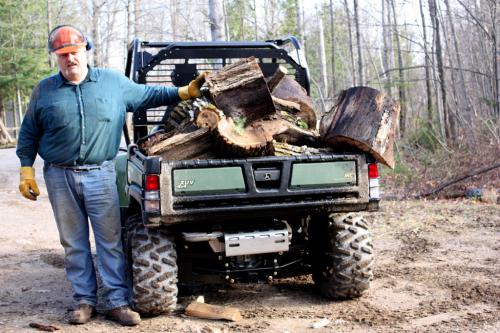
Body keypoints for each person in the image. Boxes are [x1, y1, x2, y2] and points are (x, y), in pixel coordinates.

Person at [16, 25, 205, 326]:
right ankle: (84, 301)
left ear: (85, 51)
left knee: (109, 241)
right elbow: (28, 134)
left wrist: (183, 92)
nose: (69, 60)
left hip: (101, 174)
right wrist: (26, 169)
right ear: (56, 58)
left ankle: (117, 301)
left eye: (74, 53)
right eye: (62, 55)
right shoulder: (45, 91)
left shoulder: (112, 83)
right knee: (74, 242)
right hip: (60, 176)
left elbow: (148, 94)